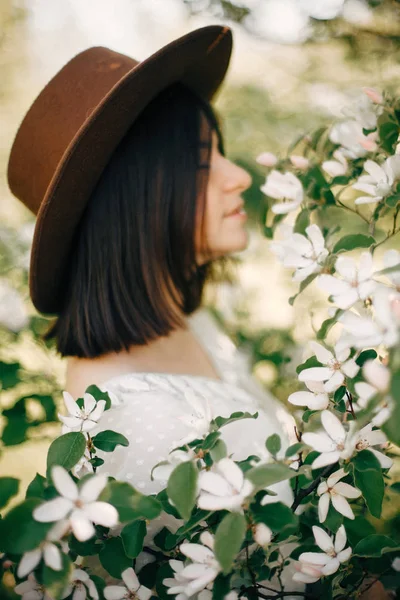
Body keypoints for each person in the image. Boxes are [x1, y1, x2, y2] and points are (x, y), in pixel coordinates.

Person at [7, 25, 302, 598]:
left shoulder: (192, 322)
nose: (239, 175)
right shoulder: (129, 415)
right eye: (201, 162)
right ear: (133, 198)